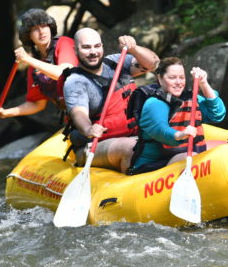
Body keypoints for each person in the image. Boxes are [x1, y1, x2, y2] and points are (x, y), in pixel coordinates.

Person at [62, 27, 160, 172]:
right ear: (75, 50)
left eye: (97, 46)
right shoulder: (75, 82)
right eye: (86, 47)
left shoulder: (116, 62)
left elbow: (153, 64)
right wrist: (89, 128)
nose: (93, 52)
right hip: (94, 145)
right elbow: (78, 113)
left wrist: (134, 49)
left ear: (102, 46)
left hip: (133, 134)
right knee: (129, 147)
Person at [125, 58, 226, 175]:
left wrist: (204, 83)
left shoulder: (189, 98)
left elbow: (217, 114)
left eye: (181, 77)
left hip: (184, 156)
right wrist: (180, 135)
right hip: (152, 167)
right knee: (194, 158)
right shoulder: (154, 103)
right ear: (160, 78)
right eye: (172, 78)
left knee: (225, 149)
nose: (178, 82)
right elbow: (160, 131)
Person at [0, 8, 77, 120]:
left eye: (44, 26)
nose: (41, 32)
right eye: (35, 29)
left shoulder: (64, 43)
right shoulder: (34, 69)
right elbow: (37, 104)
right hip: (73, 118)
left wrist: (27, 59)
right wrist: (6, 113)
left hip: (94, 106)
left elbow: (63, 73)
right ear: (29, 36)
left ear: (50, 27)